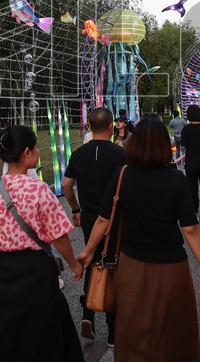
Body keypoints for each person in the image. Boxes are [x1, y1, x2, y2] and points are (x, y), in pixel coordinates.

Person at [78, 118, 200, 362]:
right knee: (173, 327)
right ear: (165, 147)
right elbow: (190, 230)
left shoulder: (123, 175)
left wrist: (89, 251)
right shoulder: (175, 179)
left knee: (134, 325)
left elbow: (103, 220)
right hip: (171, 267)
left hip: (131, 263)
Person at [0, 126, 84, 362]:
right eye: (37, 147)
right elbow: (58, 236)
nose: (38, 151)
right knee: (40, 328)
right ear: (27, 152)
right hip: (35, 270)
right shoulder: (39, 189)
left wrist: (1, 252)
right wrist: (74, 265)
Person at [62, 107, 124, 346]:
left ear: (90, 127)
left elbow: (67, 185)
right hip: (115, 218)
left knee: (92, 260)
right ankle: (112, 331)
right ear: (110, 127)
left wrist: (75, 209)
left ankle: (88, 313)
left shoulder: (79, 154)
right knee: (112, 264)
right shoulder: (120, 154)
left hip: (89, 218)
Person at [179, 105, 200, 225]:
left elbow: (183, 146)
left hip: (191, 163)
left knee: (192, 190)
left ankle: (194, 214)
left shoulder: (186, 129)